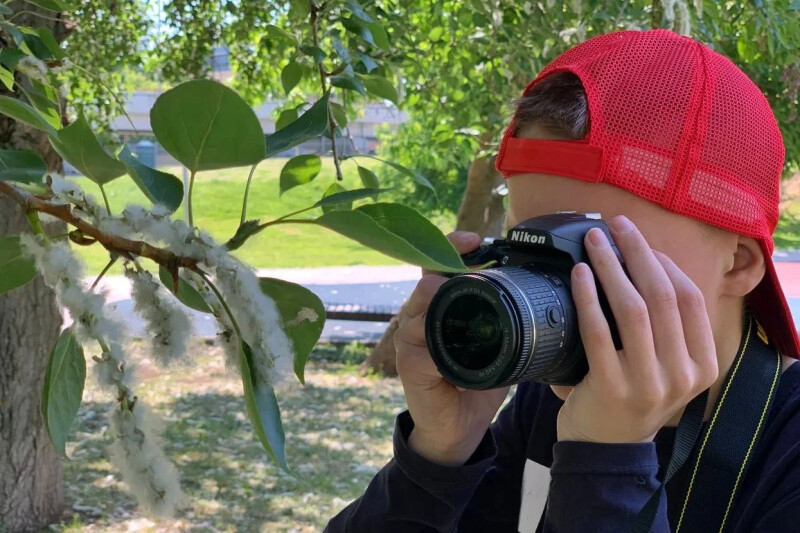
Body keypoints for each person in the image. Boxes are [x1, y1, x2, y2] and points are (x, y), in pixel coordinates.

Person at [324, 29, 800, 532]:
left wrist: (607, 463)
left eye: (601, 255)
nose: (562, 295)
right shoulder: (548, 401)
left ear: (740, 263)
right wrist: (437, 458)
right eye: (532, 251)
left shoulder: (784, 450)